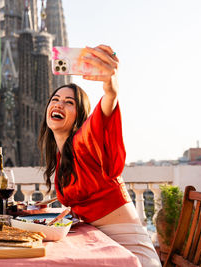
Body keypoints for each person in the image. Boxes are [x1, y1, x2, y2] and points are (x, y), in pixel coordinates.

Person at [38, 45, 161, 267]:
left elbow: (106, 106)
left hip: (131, 256)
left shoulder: (84, 143)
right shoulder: (63, 157)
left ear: (80, 115)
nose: (58, 104)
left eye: (69, 102)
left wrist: (110, 86)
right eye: (55, 99)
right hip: (104, 248)